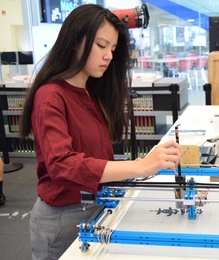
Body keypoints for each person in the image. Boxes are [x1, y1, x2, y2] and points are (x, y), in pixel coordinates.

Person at [19, 5, 181, 260]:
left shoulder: (91, 93)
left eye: (113, 50)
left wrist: (136, 172)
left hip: (96, 207)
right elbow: (63, 165)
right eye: (101, 45)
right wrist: (139, 167)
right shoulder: (50, 96)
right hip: (63, 219)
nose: (108, 56)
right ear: (74, 42)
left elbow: (95, 155)